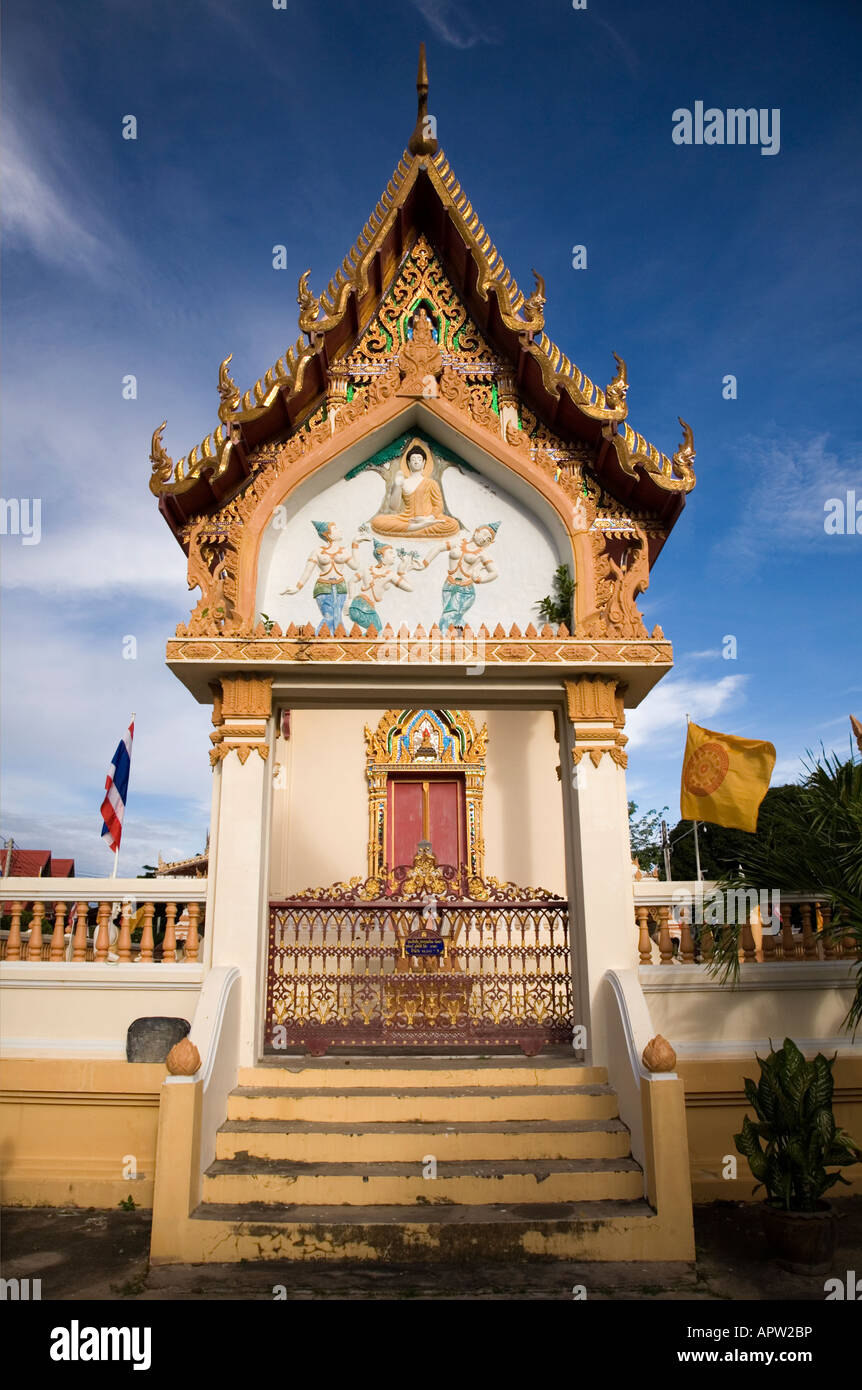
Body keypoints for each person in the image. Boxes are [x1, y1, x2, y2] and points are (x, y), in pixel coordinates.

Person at [281, 520, 369, 633]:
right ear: (329, 535)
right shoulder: (317, 551)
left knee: (337, 617)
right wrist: (297, 587)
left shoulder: (344, 551)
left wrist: (355, 544)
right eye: (336, 529)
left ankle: (337, 638)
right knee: (329, 617)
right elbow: (307, 572)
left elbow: (355, 566)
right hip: (323, 588)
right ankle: (318, 638)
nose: (340, 530)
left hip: (340, 587)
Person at [422, 523, 500, 632]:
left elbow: (494, 572)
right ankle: (461, 637)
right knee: (453, 618)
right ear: (476, 531)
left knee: (448, 617)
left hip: (465, 590)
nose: (484, 539)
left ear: (490, 543)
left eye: (488, 539)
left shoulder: (482, 554)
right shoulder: (458, 543)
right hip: (448, 586)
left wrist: (480, 579)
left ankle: (449, 642)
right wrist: (424, 563)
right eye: (483, 534)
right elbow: (438, 547)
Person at [372, 444, 459, 538]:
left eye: (419, 459)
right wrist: (397, 485)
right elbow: (394, 507)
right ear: (408, 463)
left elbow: (438, 506)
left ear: (424, 462)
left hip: (427, 519)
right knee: (378, 521)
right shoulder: (403, 482)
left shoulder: (431, 483)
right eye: (413, 459)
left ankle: (416, 527)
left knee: (452, 524)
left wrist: (428, 518)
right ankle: (419, 527)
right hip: (407, 519)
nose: (416, 462)